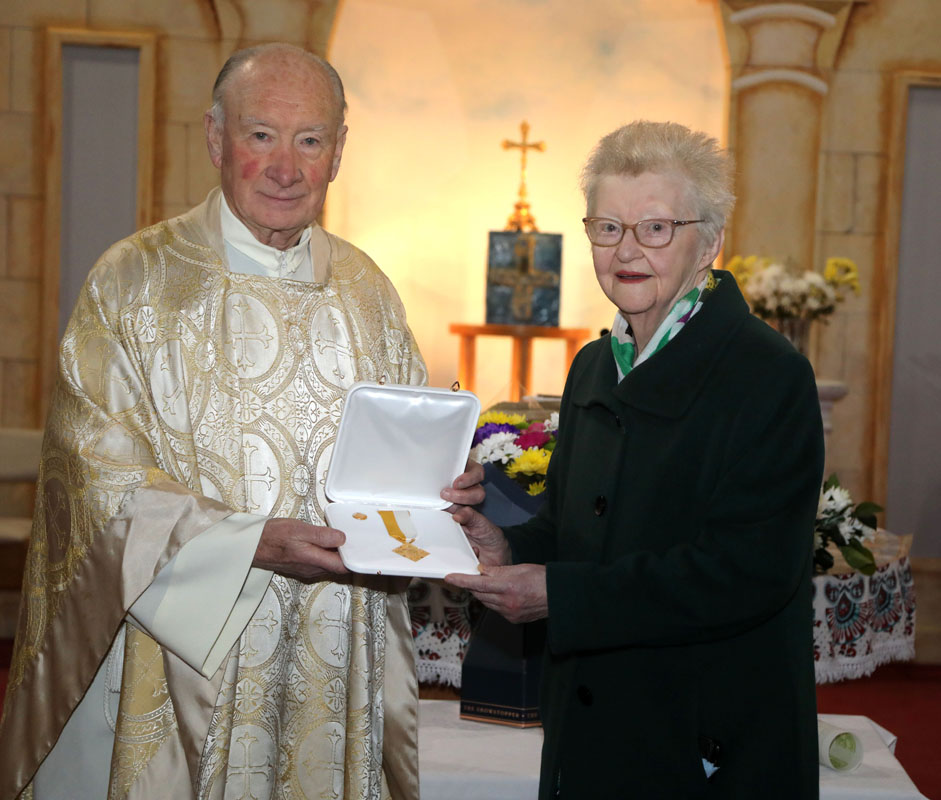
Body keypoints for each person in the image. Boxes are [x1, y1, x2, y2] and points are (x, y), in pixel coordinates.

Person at [0, 43, 483, 800]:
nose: (286, 167)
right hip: (183, 650)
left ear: (339, 153)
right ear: (216, 139)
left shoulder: (367, 291)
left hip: (335, 630)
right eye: (262, 136)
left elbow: (395, 456)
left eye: (310, 140)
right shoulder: (134, 283)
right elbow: (96, 480)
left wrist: (439, 490)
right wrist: (245, 542)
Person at [448, 120, 824, 799]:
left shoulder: (766, 374)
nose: (626, 250)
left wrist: (561, 597)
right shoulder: (595, 364)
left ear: (708, 242)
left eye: (654, 228)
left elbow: (745, 574)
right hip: (591, 729)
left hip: (701, 741)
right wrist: (503, 545)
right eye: (607, 227)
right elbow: (575, 526)